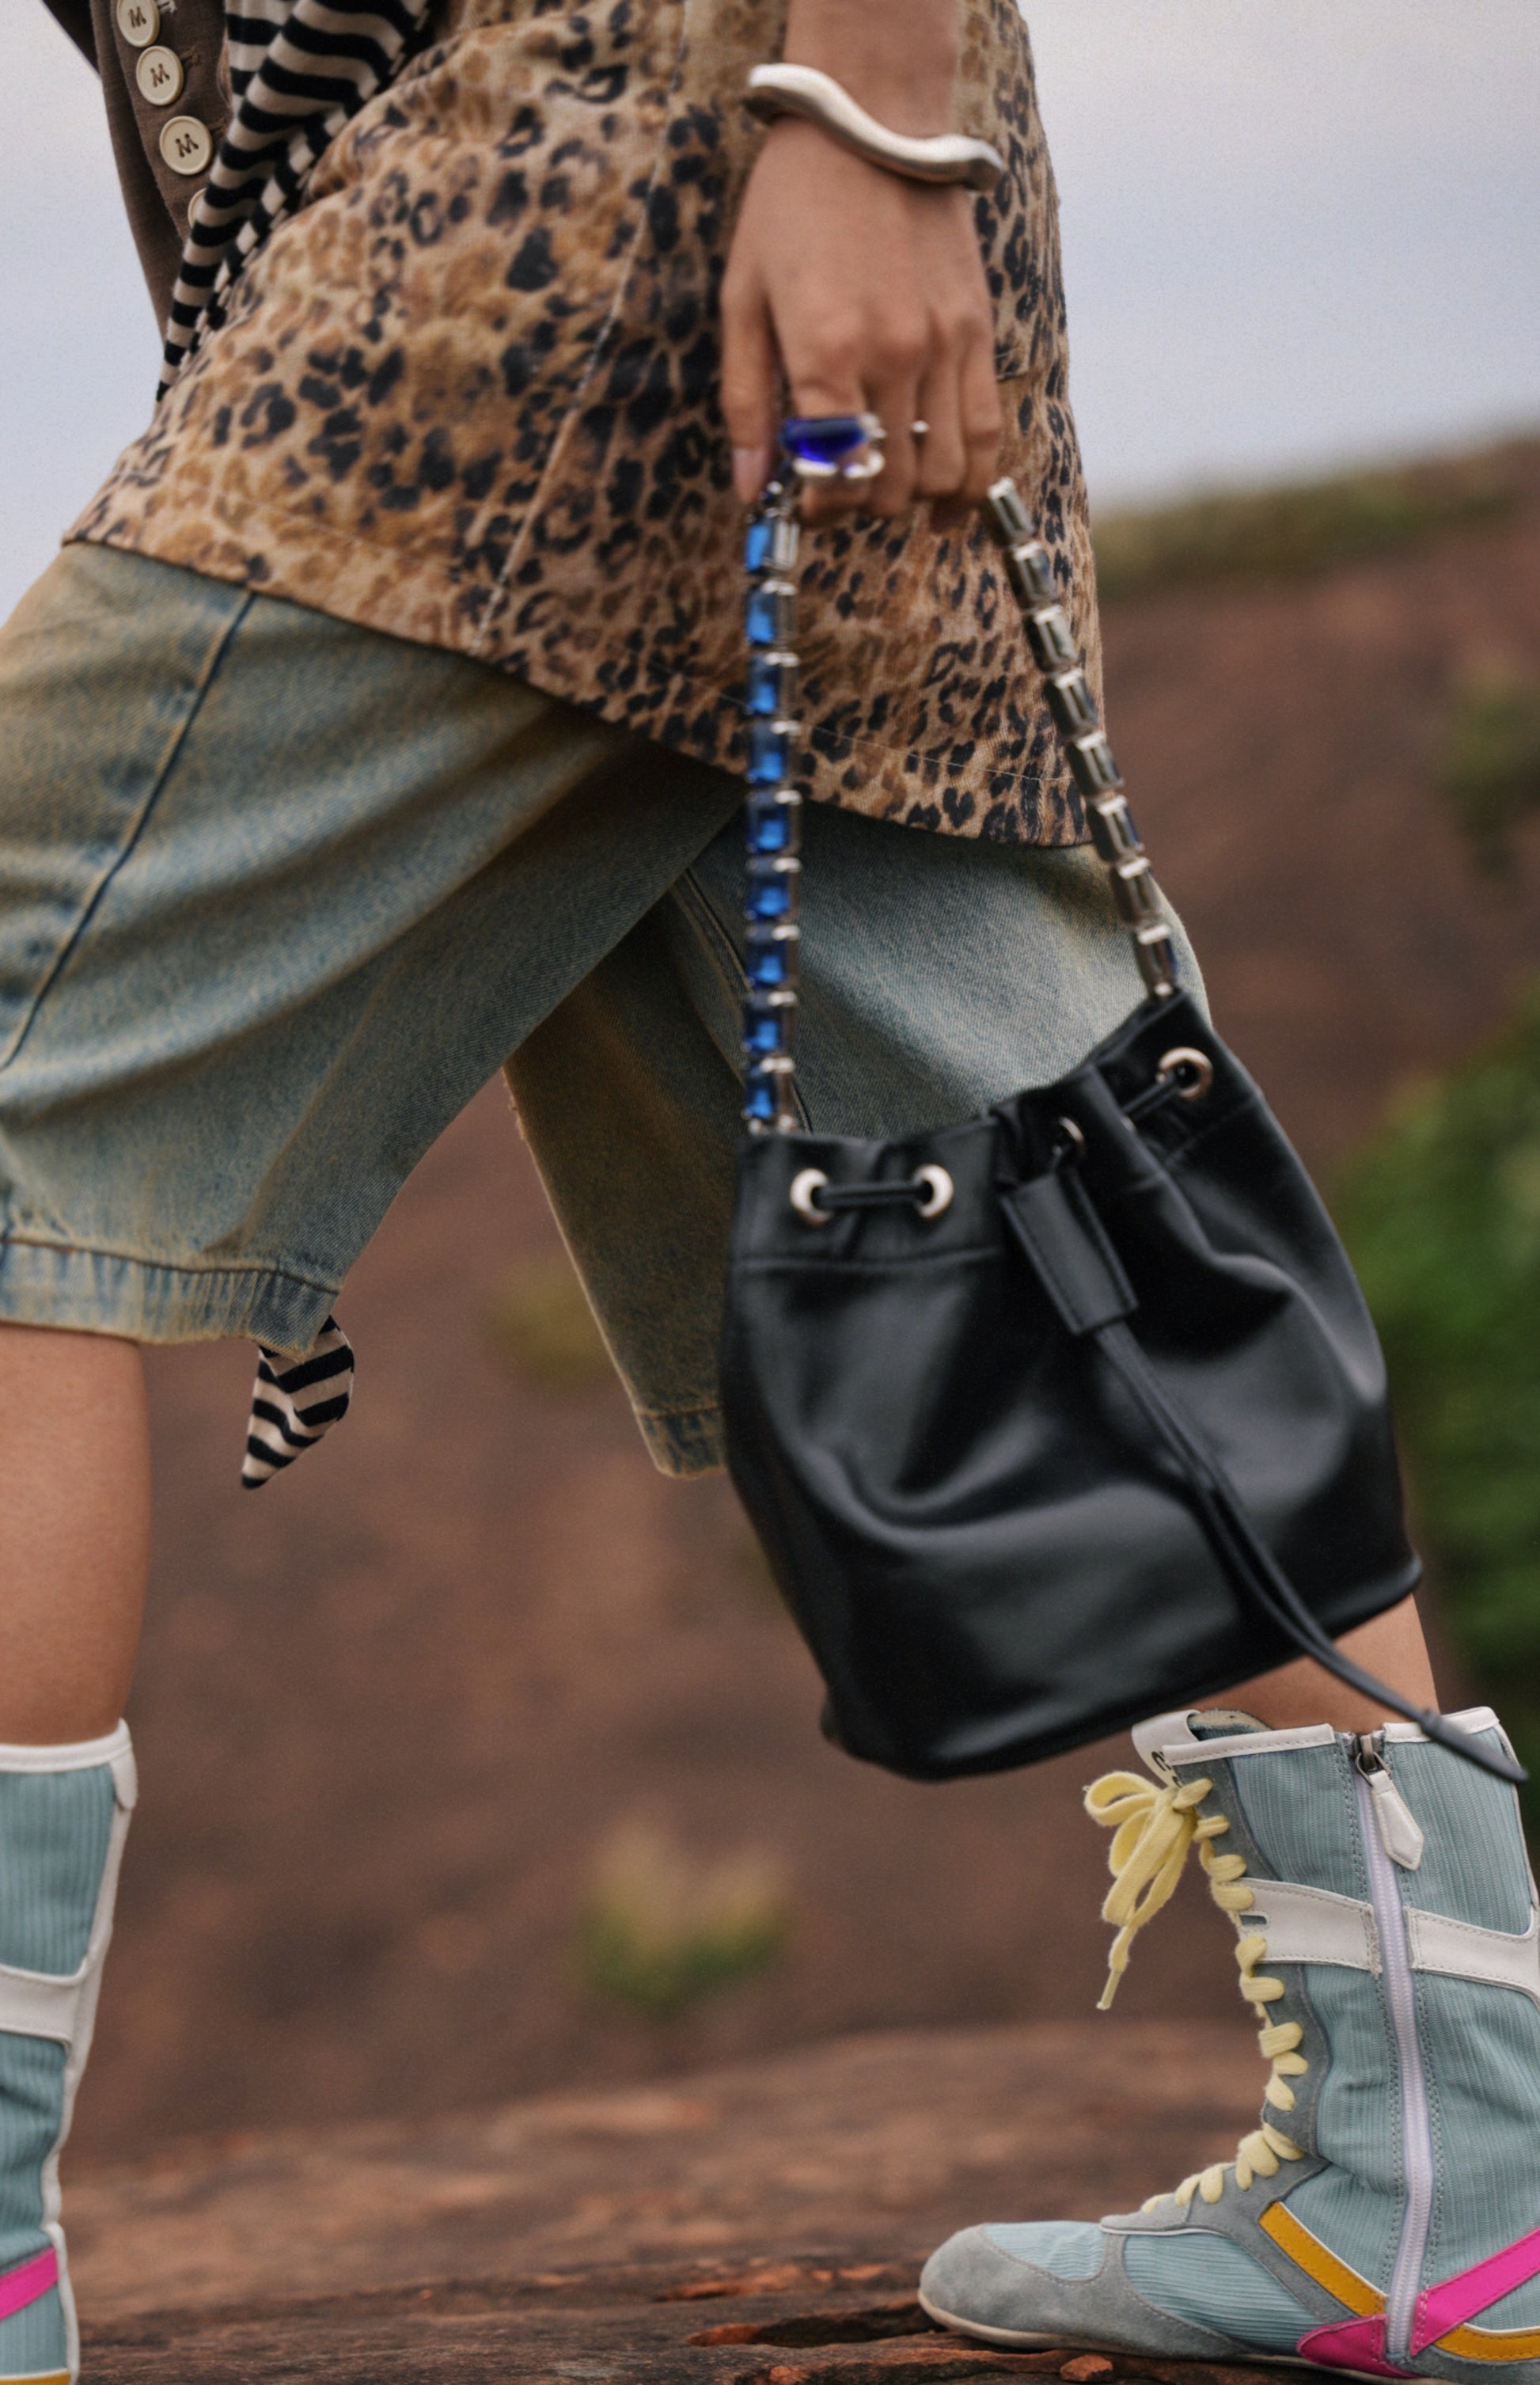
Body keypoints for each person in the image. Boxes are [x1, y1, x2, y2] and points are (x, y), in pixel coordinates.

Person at [1, 2, 1530, 2380]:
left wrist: (870, 112)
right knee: (1044, 1162)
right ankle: (1457, 2169)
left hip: (567, 205)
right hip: (681, 238)